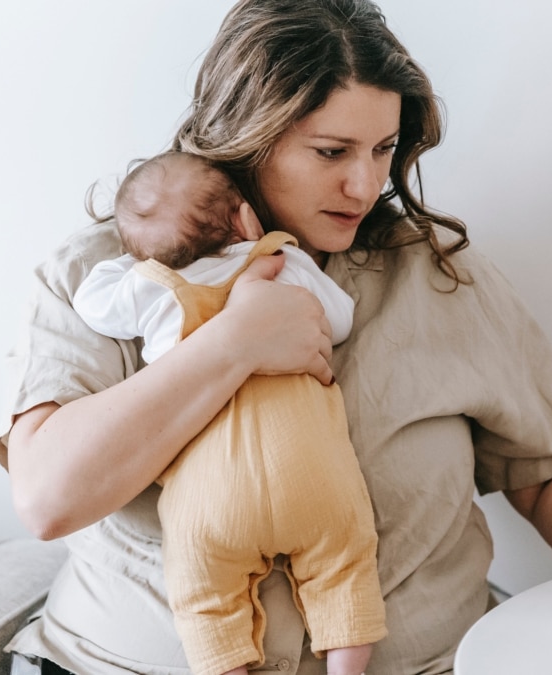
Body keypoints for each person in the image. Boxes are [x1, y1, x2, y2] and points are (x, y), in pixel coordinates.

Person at [0, 1, 552, 673]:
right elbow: (49, 496)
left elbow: (544, 465)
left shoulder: (438, 278)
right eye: (331, 152)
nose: (365, 185)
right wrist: (232, 345)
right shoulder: (107, 278)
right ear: (244, 136)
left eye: (383, 150)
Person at [71, 150, 385, 675]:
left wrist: (139, 257)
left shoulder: (152, 289)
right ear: (244, 217)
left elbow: (92, 300)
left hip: (210, 498)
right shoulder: (281, 262)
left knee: (204, 599)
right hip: (310, 473)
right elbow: (339, 319)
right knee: (345, 566)